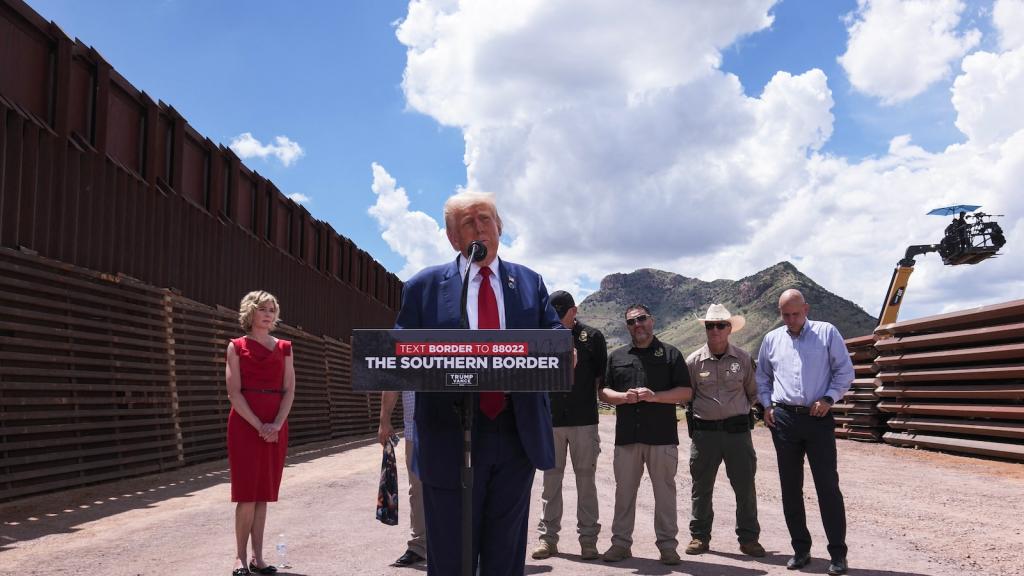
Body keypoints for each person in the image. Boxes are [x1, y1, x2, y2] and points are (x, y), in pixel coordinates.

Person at [394, 190, 563, 576]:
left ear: (499, 227)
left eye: (486, 219)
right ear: (454, 238)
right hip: (449, 433)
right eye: (469, 222)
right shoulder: (423, 287)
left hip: (515, 432)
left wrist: (562, 349)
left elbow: (554, 336)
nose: (480, 227)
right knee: (451, 555)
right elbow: (400, 350)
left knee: (505, 552)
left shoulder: (529, 282)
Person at [756, 289, 854, 576]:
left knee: (827, 487)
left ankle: (838, 554)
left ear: (806, 309)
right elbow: (762, 375)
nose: (790, 320)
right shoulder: (772, 339)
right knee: (790, 488)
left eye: (795, 314)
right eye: (785, 315)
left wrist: (829, 398)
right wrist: (767, 405)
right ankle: (801, 549)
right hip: (784, 419)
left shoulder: (827, 333)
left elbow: (845, 371)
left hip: (818, 416)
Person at [600, 304, 692, 566]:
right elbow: (604, 392)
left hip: (661, 437)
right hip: (627, 437)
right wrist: (623, 398)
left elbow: (686, 392)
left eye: (641, 319)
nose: (637, 325)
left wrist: (656, 397)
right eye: (631, 322)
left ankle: (667, 546)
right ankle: (620, 544)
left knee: (665, 494)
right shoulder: (617, 356)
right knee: (624, 493)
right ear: (627, 327)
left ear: (652, 321)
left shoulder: (671, 354)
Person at [531, 291, 607, 561]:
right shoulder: (542, 337)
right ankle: (547, 539)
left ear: (573, 311)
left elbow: (600, 378)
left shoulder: (593, 338)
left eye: (561, 314)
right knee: (550, 482)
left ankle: (588, 540)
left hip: (584, 421)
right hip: (551, 421)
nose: (556, 319)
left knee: (586, 482)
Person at [684, 304, 764, 558]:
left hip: (737, 434)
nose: (715, 330)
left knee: (745, 487)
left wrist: (733, 411)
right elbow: (689, 396)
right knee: (701, 486)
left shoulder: (743, 359)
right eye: (710, 326)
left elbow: (754, 393)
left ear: (729, 328)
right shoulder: (693, 362)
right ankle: (699, 537)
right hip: (704, 434)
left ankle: (749, 539)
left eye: (720, 325)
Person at [225, 290, 296, 576]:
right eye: (263, 309)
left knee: (264, 493)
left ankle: (259, 558)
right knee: (246, 494)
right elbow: (233, 392)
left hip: (276, 424)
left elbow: (290, 388)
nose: (268, 314)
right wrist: (259, 425)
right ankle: (239, 558)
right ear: (250, 312)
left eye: (272, 310)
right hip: (245, 424)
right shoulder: (236, 346)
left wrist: (276, 424)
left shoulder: (285, 347)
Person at [378, 391, 427, 567]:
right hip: (416, 430)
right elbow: (393, 382)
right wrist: (384, 420)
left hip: (457, 426)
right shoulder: (403, 361)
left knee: (461, 486)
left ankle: (464, 543)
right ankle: (420, 546)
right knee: (418, 489)